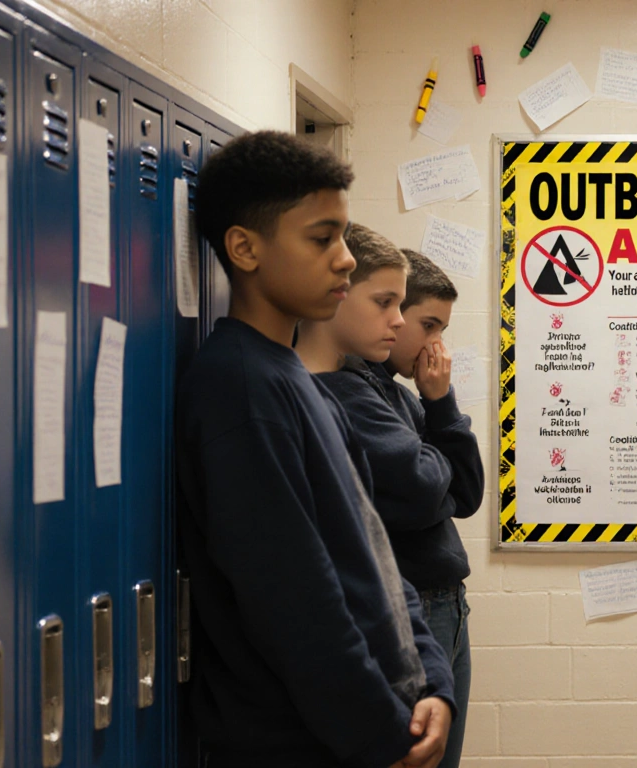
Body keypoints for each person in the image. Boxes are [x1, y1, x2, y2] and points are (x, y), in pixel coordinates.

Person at [179, 131, 451, 768]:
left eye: (343, 236)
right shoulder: (239, 389)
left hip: (372, 726)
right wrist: (384, 735)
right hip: (305, 745)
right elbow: (296, 600)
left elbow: (375, 555)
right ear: (244, 248)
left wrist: (431, 680)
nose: (346, 259)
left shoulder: (303, 382)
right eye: (320, 238)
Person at [299, 228, 483, 768]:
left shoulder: (398, 393)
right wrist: (432, 468)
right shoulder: (348, 388)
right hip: (417, 601)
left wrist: (441, 405)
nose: (426, 341)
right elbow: (425, 488)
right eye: (419, 320)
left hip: (445, 601)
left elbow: (465, 491)